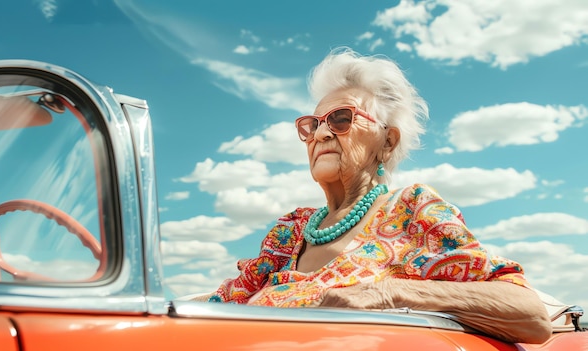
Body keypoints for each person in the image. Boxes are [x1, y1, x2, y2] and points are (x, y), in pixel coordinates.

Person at [195, 47, 552, 344]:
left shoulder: (412, 211)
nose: (320, 134)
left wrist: (387, 293)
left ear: (388, 141)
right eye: (312, 124)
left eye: (340, 119)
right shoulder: (289, 232)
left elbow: (529, 315)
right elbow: (218, 306)